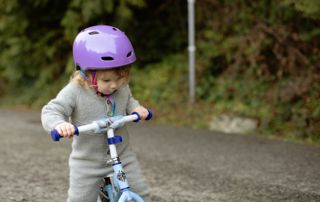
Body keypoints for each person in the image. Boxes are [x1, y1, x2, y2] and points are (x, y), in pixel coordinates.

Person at [41, 25, 150, 202]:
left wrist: (136, 109)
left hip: (122, 157)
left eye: (121, 78)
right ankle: (101, 189)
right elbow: (51, 110)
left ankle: (109, 190)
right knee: (80, 199)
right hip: (87, 163)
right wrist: (59, 124)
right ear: (86, 74)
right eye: (106, 80)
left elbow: (129, 100)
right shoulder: (74, 92)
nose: (115, 85)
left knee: (141, 192)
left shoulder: (121, 88)